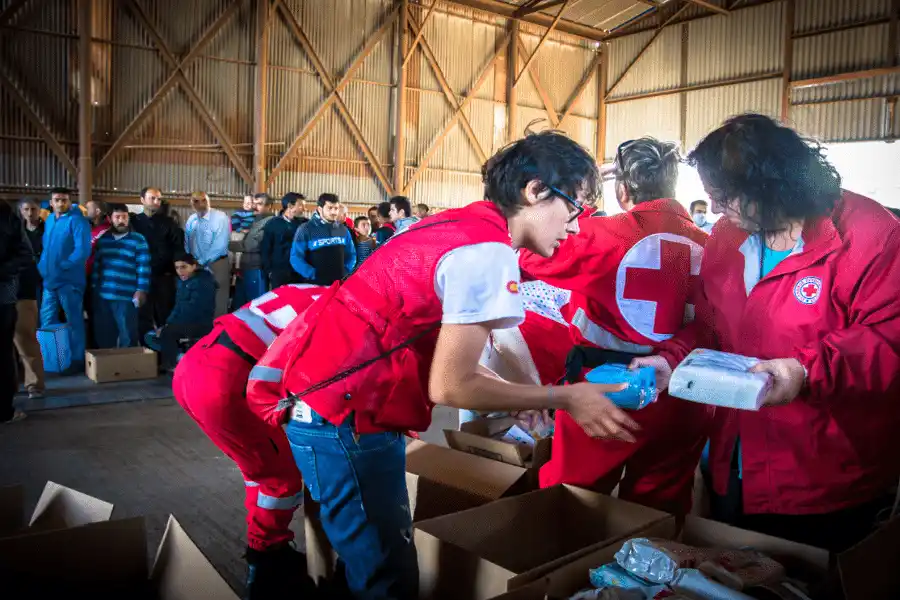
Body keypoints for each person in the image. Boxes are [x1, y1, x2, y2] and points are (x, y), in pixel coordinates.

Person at [247, 131, 633, 599]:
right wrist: (565, 396)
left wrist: (524, 398)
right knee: (387, 577)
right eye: (575, 208)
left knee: (368, 556)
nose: (574, 227)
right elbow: (451, 386)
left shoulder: (456, 226)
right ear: (535, 191)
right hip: (345, 418)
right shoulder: (486, 253)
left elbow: (452, 364)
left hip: (322, 403)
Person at [633, 114, 900, 553]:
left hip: (825, 478)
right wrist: (671, 360)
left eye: (724, 197)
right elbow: (709, 325)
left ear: (770, 186)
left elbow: (888, 342)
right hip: (734, 461)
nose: (716, 210)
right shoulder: (727, 236)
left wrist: (806, 371)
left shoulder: (871, 236)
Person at [518, 137, 712, 515]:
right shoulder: (711, 244)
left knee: (570, 500)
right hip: (685, 395)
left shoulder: (599, 234)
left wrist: (580, 206)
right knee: (659, 509)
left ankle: (558, 573)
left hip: (606, 392)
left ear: (621, 189)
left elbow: (529, 253)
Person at [173, 284, 325, 599]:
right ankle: (267, 562)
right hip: (225, 381)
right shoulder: (341, 310)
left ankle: (267, 547)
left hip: (194, 365)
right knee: (281, 479)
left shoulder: (309, 289)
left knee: (257, 468)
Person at [38, 188, 91, 374]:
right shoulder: (50, 219)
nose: (61, 203)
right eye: (57, 200)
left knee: (74, 321)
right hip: (49, 280)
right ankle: (51, 359)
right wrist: (42, 266)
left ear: (70, 201)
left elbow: (83, 250)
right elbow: (46, 246)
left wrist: (64, 266)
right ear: (51, 202)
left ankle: (76, 361)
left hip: (69, 281)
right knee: (46, 320)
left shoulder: (78, 221)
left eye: (64, 200)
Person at [91, 205, 150, 349]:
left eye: (124, 217)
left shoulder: (138, 239)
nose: (121, 220)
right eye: (117, 217)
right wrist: (93, 288)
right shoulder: (103, 240)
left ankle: (127, 367)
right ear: (110, 219)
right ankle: (106, 366)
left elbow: (144, 266)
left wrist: (141, 290)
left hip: (127, 296)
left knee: (128, 334)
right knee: (104, 333)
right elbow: (96, 266)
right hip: (104, 295)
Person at [145, 253, 217, 371]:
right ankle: (179, 357)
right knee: (150, 336)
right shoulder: (182, 282)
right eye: (177, 268)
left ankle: (173, 363)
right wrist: (168, 323)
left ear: (194, 266)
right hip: (182, 322)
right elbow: (178, 306)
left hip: (200, 323)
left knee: (167, 333)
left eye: (183, 267)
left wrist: (170, 326)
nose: (180, 271)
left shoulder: (203, 283)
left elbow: (192, 309)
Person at [132, 187, 185, 342]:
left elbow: (178, 249)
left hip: (164, 277)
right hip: (141, 278)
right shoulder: (134, 222)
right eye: (152, 198)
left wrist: (178, 272)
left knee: (166, 316)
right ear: (142, 200)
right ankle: (145, 354)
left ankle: (166, 357)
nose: (156, 202)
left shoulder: (169, 223)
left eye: (159, 199)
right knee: (142, 317)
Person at [1, 201, 32, 424]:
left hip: (3, 295)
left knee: (3, 351)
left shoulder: (6, 215)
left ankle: (4, 408)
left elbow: (25, 254)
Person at [14, 200, 46, 400]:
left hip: (21, 291)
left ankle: (34, 384)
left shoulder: (14, 233)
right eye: (25, 209)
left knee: (25, 339)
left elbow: (23, 262)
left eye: (33, 208)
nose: (29, 213)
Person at [289, 193, 356, 286]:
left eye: (336, 208)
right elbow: (296, 257)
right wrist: (312, 274)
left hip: (338, 285)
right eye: (329, 208)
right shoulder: (306, 229)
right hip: (314, 284)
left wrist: (346, 270)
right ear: (320, 209)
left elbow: (351, 254)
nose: (334, 212)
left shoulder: (343, 230)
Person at [184, 191, 231, 317]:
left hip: (217, 262)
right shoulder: (191, 220)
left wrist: (200, 262)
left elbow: (220, 244)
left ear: (209, 200)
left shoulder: (220, 217)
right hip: (195, 264)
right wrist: (189, 261)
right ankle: (200, 333)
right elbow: (187, 242)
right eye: (196, 201)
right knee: (197, 297)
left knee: (218, 299)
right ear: (191, 203)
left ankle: (218, 331)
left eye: (204, 200)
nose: (200, 203)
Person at [261, 192, 308, 290]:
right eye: (301, 206)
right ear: (290, 206)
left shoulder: (305, 224)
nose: (304, 209)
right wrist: (269, 271)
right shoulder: (272, 224)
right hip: (279, 273)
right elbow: (265, 248)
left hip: (300, 273)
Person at [238, 193, 275, 303]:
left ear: (269, 206)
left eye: (259, 204)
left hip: (257, 266)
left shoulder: (271, 222)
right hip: (246, 266)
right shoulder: (254, 220)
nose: (255, 206)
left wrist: (239, 244)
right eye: (254, 203)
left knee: (257, 303)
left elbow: (252, 244)